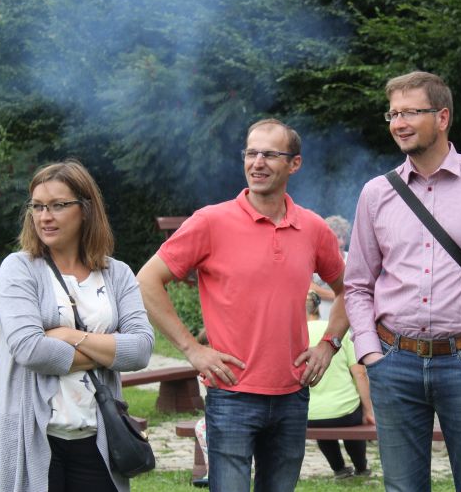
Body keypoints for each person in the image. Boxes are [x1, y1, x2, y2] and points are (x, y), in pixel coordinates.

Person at [136, 118, 350, 492]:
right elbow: (146, 281)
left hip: (293, 393)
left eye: (270, 154)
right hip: (231, 393)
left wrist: (329, 344)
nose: (258, 162)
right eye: (251, 153)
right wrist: (193, 349)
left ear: (294, 164)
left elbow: (351, 289)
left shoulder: (314, 228)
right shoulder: (211, 221)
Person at [344, 71, 461, 492]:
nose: (399, 123)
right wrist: (370, 351)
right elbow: (356, 284)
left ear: (442, 117)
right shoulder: (376, 193)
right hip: (394, 361)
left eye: (410, 112)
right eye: (393, 114)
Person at [0, 160, 155, 492]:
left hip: (98, 438)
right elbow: (31, 350)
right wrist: (109, 349)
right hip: (30, 437)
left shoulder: (117, 274)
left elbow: (141, 349)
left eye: (58, 205)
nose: (45, 216)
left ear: (85, 209)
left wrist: (70, 335)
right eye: (38, 206)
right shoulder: (18, 269)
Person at [305, 292, 374, 480]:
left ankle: (339, 468)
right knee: (351, 415)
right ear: (319, 308)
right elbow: (359, 373)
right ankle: (361, 467)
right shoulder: (338, 334)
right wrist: (368, 410)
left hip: (310, 414)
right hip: (345, 411)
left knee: (322, 420)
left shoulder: (296, 334)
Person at [309, 215, 351, 320]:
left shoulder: (353, 259)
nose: (342, 242)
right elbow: (308, 286)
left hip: (345, 318)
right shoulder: (315, 259)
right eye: (338, 237)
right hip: (319, 317)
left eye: (344, 237)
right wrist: (339, 295)